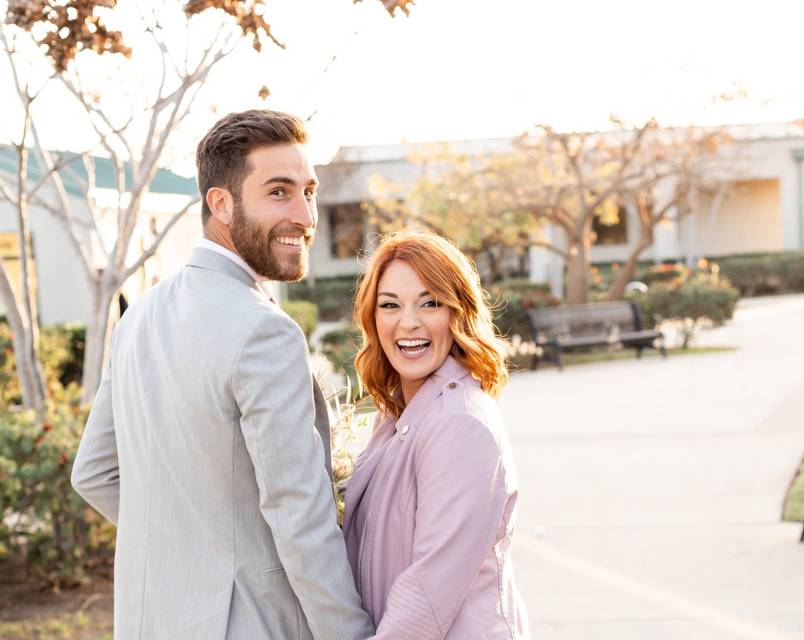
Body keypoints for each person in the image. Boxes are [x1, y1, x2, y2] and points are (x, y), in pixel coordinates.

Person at [71, 110, 373, 639]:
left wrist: (191, 547)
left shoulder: (140, 315)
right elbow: (298, 512)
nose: (305, 215)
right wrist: (351, 634)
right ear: (221, 203)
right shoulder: (264, 331)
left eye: (309, 190)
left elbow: (93, 474)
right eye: (279, 192)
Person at [344, 230, 529, 639]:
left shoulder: (459, 423)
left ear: (457, 312)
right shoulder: (397, 413)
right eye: (390, 305)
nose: (408, 322)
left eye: (430, 303)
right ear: (373, 319)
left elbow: (429, 590)